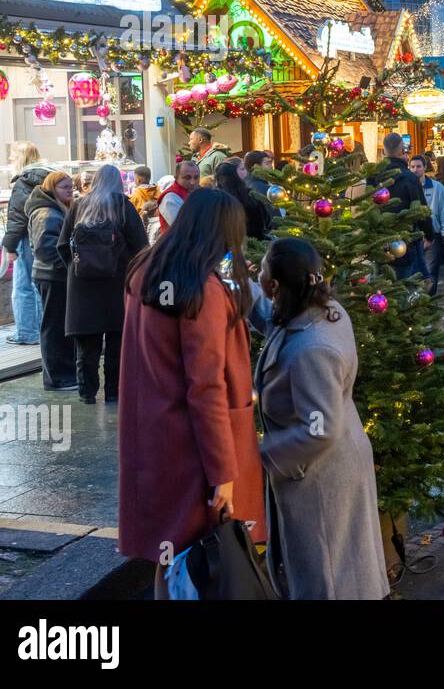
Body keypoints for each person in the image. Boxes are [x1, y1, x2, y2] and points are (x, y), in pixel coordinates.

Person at [118, 188, 265, 600]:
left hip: (154, 436)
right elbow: (206, 387)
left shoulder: (145, 269)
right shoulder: (203, 289)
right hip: (196, 449)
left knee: (170, 556)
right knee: (203, 558)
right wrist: (224, 474)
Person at [249, 237, 389, 599]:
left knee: (328, 576)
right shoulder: (324, 311)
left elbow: (320, 429)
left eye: (262, 269)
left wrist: (260, 458)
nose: (258, 272)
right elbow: (275, 322)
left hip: (322, 476)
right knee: (343, 572)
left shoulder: (312, 349)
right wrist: (238, 288)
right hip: (338, 461)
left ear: (275, 285)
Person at [57, 163, 148, 404]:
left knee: (87, 345)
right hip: (116, 284)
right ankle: (113, 392)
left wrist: (77, 269)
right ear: (118, 182)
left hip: (82, 288)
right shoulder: (123, 206)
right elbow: (141, 246)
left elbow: (62, 246)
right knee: (117, 344)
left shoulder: (78, 206)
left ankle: (87, 393)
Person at [26, 171, 77, 391]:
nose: (70, 190)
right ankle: (57, 378)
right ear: (52, 188)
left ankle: (64, 374)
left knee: (60, 326)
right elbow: (46, 248)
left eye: (71, 186)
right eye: (64, 187)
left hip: (57, 275)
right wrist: (70, 265)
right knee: (54, 327)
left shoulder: (59, 209)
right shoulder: (46, 213)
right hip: (51, 276)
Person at [2, 142, 50, 346]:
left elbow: (17, 218)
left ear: (21, 158)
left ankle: (27, 332)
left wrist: (9, 245)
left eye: (13, 157)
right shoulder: (47, 176)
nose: (11, 161)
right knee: (38, 284)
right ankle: (42, 329)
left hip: (25, 238)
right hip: (44, 235)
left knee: (23, 286)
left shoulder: (23, 182)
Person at [374, 132, 434, 280]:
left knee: (381, 284)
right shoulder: (409, 178)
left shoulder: (373, 176)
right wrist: (429, 234)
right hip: (405, 241)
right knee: (404, 284)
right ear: (402, 151)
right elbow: (420, 209)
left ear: (383, 151)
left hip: (377, 240)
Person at [411, 155, 444, 295]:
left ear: (424, 168)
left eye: (418, 166)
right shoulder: (408, 187)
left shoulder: (437, 188)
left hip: (432, 234)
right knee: (413, 270)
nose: (415, 170)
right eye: (412, 166)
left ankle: (429, 302)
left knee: (430, 271)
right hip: (411, 236)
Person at [213, 160, 272, 239]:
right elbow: (265, 218)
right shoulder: (249, 194)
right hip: (255, 241)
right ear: (235, 174)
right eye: (242, 169)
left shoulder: (216, 198)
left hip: (227, 243)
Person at [158, 160, 200, 233]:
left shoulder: (199, 192)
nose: (192, 182)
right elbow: (183, 229)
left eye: (196, 177)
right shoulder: (170, 198)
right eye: (187, 178)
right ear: (176, 178)